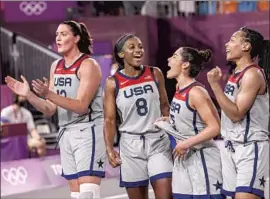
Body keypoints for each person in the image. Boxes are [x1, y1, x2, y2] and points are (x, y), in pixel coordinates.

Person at [5, 20, 105, 199]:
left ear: (76, 38)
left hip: (87, 133)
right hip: (66, 133)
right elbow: (50, 109)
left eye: (64, 34)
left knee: (88, 194)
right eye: (57, 34)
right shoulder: (56, 66)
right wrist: (29, 95)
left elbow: (81, 106)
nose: (58, 38)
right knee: (76, 195)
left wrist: (48, 93)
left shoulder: (88, 65)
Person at [104, 34, 173, 199]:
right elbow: (110, 119)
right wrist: (109, 149)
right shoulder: (113, 82)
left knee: (166, 196)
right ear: (121, 54)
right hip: (130, 145)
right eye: (132, 47)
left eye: (140, 47)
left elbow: (165, 106)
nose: (138, 50)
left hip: (157, 141)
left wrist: (175, 134)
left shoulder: (155, 73)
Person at [207, 27, 269, 199]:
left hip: (249, 146)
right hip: (231, 146)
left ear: (246, 46)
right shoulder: (235, 74)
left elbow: (236, 114)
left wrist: (214, 86)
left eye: (233, 39)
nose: (227, 44)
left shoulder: (252, 74)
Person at [158, 47, 222, 198]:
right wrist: (168, 121)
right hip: (184, 157)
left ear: (185, 64)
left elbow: (215, 127)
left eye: (174, 56)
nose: (168, 60)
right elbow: (190, 118)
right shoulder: (179, 88)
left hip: (203, 159)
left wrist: (186, 143)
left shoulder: (196, 92)